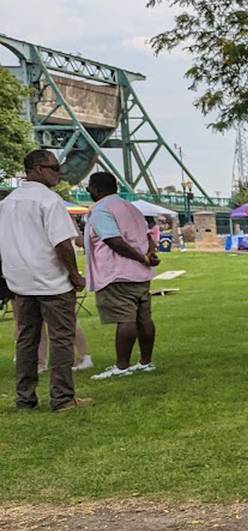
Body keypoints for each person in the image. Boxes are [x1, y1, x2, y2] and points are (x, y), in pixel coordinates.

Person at [0, 149, 92, 411]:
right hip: (51, 281)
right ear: (38, 169)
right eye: (54, 168)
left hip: (20, 282)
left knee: (26, 340)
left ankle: (25, 398)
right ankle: (63, 398)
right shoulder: (49, 201)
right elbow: (62, 243)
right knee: (61, 338)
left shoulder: (7, 203)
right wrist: (75, 275)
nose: (58, 173)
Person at [83, 172, 161, 380]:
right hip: (140, 275)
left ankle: (122, 366)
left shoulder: (101, 210)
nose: (88, 191)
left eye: (89, 188)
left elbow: (114, 241)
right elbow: (147, 237)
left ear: (97, 189)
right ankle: (145, 362)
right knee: (143, 319)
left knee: (125, 320)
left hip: (116, 274)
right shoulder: (131, 208)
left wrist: (141, 258)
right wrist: (149, 255)